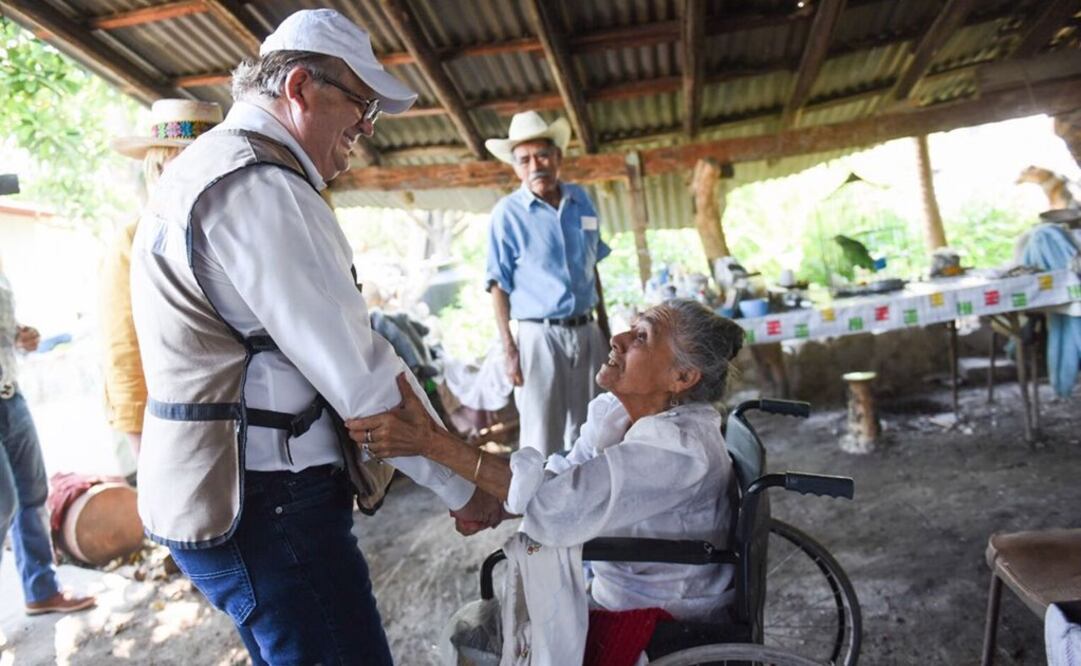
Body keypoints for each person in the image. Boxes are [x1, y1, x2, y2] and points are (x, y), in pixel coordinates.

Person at [128, 9, 501, 664]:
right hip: (268, 503)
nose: (364, 127)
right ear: (300, 88)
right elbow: (358, 375)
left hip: (221, 492)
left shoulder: (208, 168)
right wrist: (463, 483)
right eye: (361, 105)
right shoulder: (258, 185)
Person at [350, 299, 744, 623]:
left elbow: (560, 501)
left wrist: (431, 443)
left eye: (642, 337)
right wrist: (496, 504)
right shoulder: (621, 415)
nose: (618, 338)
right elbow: (567, 473)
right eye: (631, 326)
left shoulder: (678, 448)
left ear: (682, 377)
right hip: (619, 585)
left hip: (661, 608)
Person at [100, 99, 223, 464]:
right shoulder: (133, 240)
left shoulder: (231, 233)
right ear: (159, 166)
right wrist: (141, 445)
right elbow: (123, 348)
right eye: (182, 159)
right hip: (172, 424)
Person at [484, 111, 613, 456]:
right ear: (515, 168)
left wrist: (605, 327)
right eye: (524, 160)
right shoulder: (506, 214)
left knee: (596, 429)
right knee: (542, 438)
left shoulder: (581, 201)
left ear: (558, 157)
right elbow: (498, 284)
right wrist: (510, 349)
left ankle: (592, 505)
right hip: (539, 337)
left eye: (542, 155)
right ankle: (543, 506)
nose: (535, 165)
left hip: (587, 332)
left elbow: (593, 264)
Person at [0, 267, 95, 615]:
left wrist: (20, 337)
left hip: (10, 394)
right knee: (2, 502)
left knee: (32, 493)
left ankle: (41, 588)